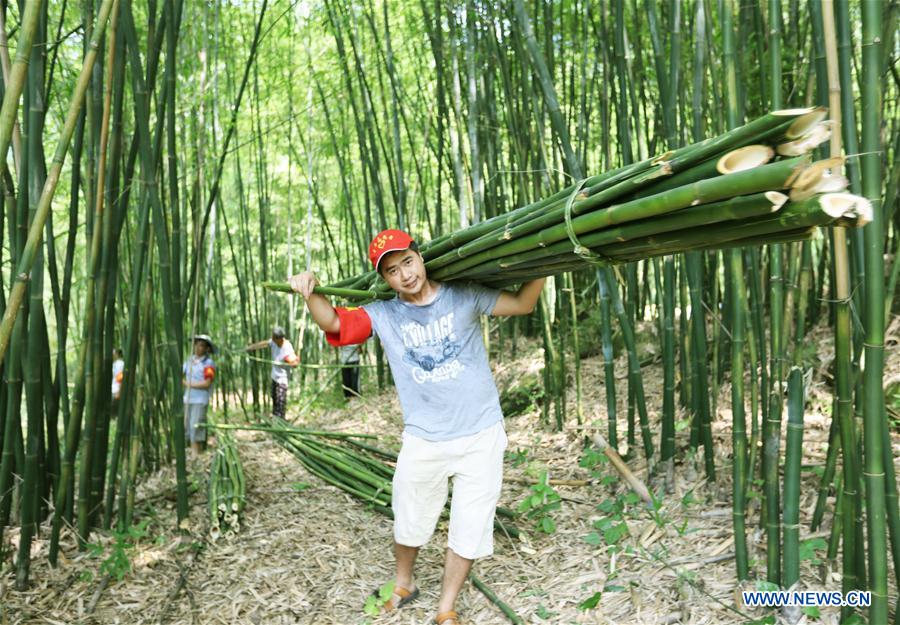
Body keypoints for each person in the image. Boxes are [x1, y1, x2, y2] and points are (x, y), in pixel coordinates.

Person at [289, 229, 544, 625]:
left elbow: (523, 304)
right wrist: (310, 293)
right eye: (392, 271)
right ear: (385, 278)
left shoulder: (463, 294)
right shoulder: (384, 313)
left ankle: (446, 608)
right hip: (424, 438)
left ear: (419, 256)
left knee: (470, 525)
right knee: (409, 518)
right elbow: (335, 324)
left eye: (407, 261)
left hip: (481, 433)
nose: (405, 275)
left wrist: (546, 260)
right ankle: (404, 583)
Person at [245, 327, 299, 419]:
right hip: (274, 377)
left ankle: (280, 423)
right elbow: (264, 343)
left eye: (274, 338)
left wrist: (292, 361)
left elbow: (295, 363)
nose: (272, 340)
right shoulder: (274, 342)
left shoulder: (287, 347)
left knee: (280, 403)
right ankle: (275, 421)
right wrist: (251, 347)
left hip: (282, 379)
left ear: (280, 338)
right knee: (274, 400)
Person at [182, 335, 216, 456]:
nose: (198, 347)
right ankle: (193, 454)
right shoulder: (189, 360)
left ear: (207, 348)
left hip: (200, 399)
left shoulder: (208, 363)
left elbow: (207, 383)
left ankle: (196, 455)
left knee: (195, 426)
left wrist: (189, 384)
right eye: (197, 344)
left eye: (201, 345)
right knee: (186, 426)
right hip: (187, 399)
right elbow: (180, 374)